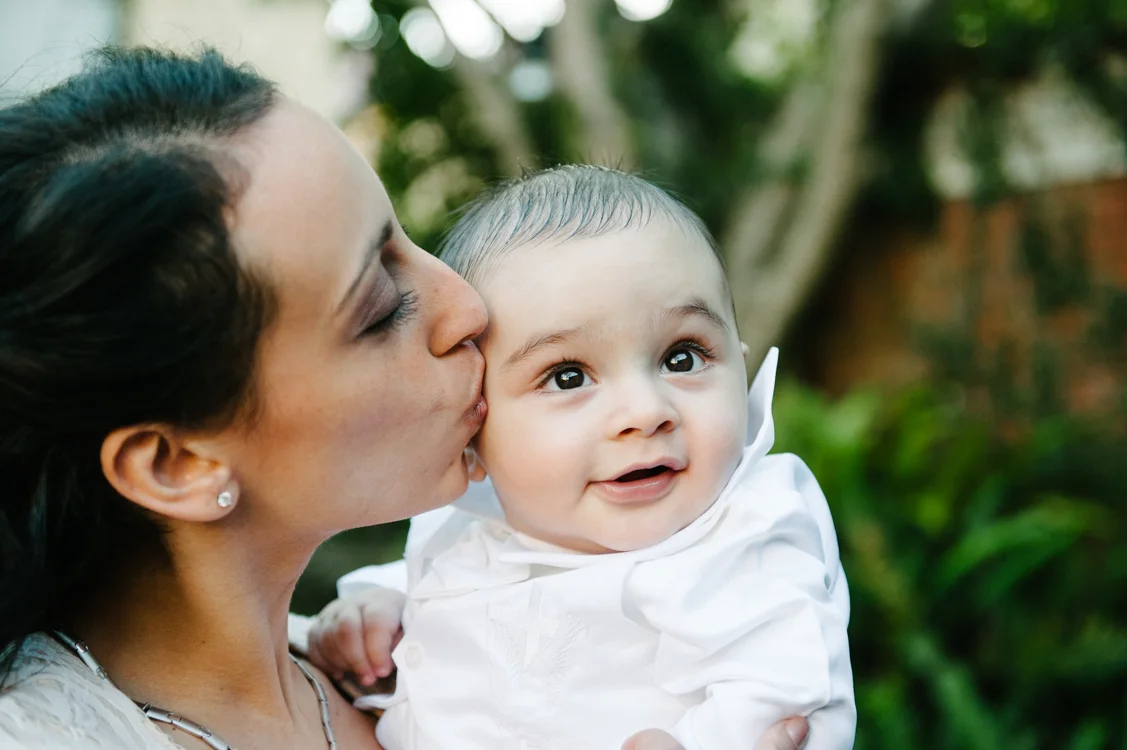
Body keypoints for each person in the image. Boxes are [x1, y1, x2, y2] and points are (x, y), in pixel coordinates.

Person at [0, 47, 810, 750]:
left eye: (406, 242)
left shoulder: (374, 657)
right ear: (176, 462)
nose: (467, 307)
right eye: (381, 308)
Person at [307, 166, 855, 750]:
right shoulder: (466, 525)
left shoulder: (743, 537)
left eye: (683, 357)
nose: (646, 412)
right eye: (569, 376)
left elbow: (786, 693)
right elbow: (445, 588)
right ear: (474, 426)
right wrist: (380, 612)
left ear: (739, 367)